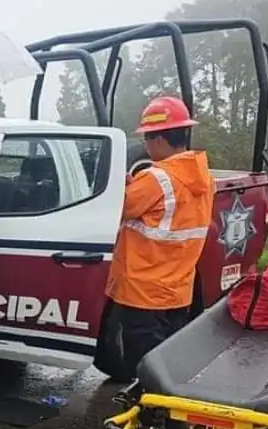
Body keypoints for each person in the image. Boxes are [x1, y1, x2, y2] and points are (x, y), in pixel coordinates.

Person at [100, 95, 216, 383]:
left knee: (146, 366)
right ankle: (175, 416)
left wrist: (121, 182)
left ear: (161, 139)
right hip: (177, 289)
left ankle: (150, 417)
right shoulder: (203, 177)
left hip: (144, 291)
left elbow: (117, 208)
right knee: (170, 360)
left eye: (148, 140)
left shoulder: (156, 178)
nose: (147, 147)